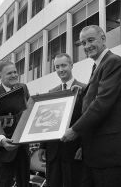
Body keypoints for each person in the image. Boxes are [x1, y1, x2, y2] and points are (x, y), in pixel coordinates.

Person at [61, 25, 121, 187]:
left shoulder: (113, 62)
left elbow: (102, 103)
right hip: (98, 153)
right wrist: (83, 92)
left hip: (112, 155)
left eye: (90, 40)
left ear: (103, 38)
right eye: (83, 43)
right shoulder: (98, 65)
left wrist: (75, 130)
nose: (86, 46)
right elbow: (98, 98)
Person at [38, 53, 86, 187]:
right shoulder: (51, 92)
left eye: (64, 65)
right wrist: (43, 146)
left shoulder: (84, 89)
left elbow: (87, 120)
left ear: (71, 65)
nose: (60, 70)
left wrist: (84, 146)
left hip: (74, 150)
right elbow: (46, 120)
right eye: (57, 67)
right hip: (53, 152)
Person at [0, 61, 30, 187]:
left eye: (15, 72)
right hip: (4, 149)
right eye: (9, 73)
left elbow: (28, 111)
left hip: (23, 146)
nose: (14, 75)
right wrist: (2, 140)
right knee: (4, 184)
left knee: (24, 183)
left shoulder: (23, 88)